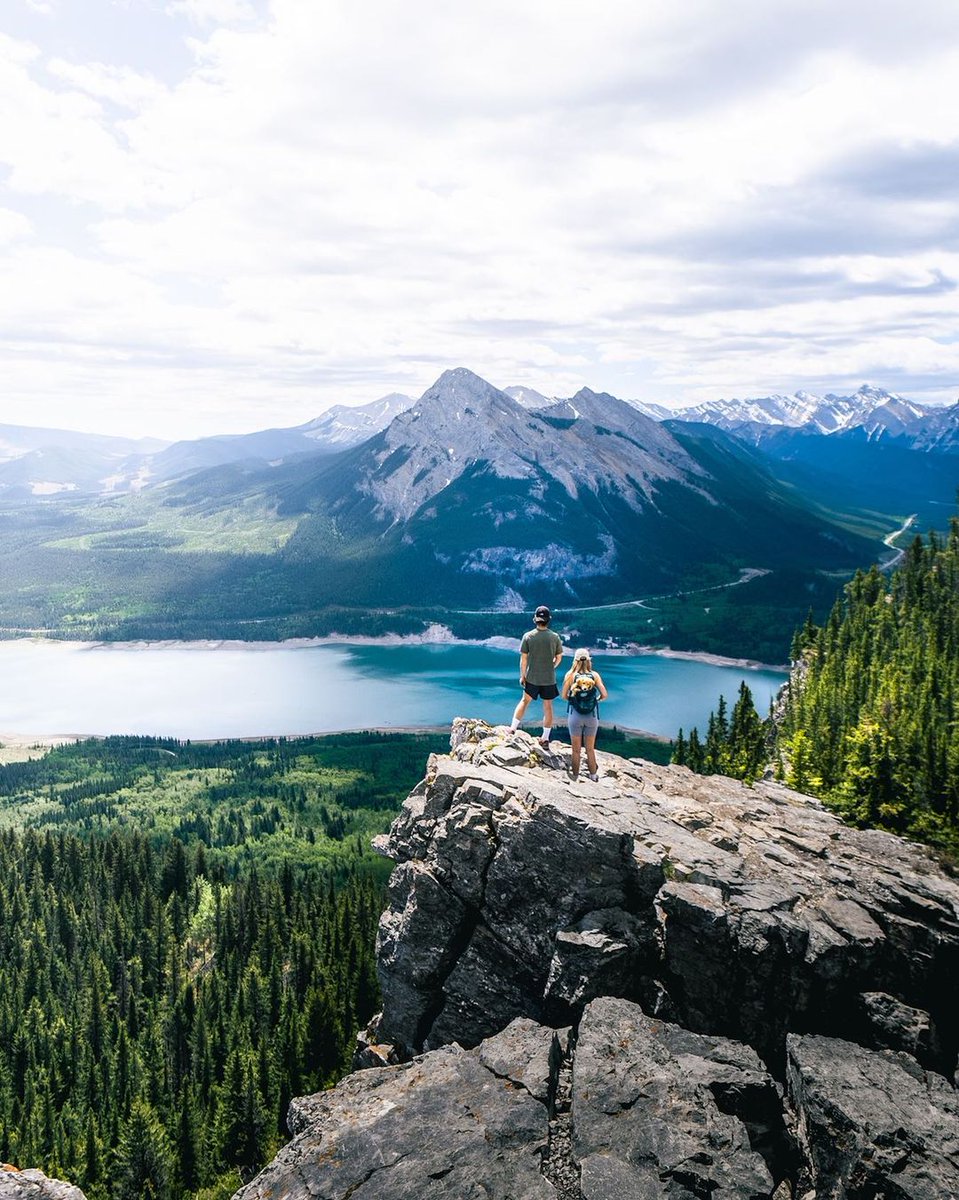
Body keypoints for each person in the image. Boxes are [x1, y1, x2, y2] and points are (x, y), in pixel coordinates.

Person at [510, 605, 563, 746]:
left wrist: (523, 675)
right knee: (548, 706)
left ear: (535, 619)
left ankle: (512, 729)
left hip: (532, 677)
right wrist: (551, 666)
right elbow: (559, 657)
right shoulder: (555, 637)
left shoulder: (528, 636)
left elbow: (523, 659)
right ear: (548, 620)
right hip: (549, 679)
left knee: (524, 701)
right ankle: (545, 738)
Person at [560, 648, 608, 781]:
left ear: (575, 660)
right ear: (588, 660)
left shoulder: (570, 675)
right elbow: (604, 695)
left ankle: (575, 776)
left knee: (576, 750)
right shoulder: (595, 675)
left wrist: (575, 700)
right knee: (590, 749)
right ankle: (593, 775)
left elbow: (564, 696)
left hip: (575, 716)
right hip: (591, 717)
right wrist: (594, 700)